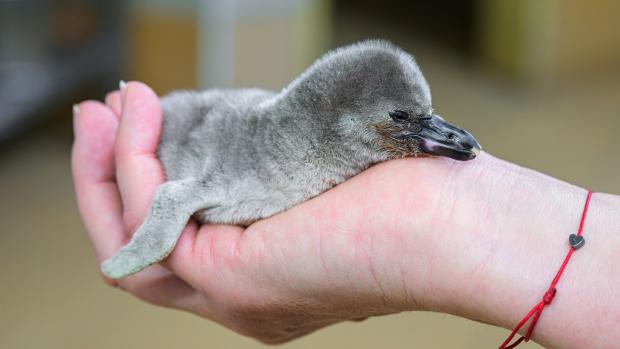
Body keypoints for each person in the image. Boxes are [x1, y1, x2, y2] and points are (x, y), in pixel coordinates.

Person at [72, 82, 619, 348]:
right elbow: (172, 197)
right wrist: (140, 251)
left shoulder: (327, 150)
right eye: (409, 118)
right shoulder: (276, 164)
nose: (445, 135)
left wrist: (452, 216)